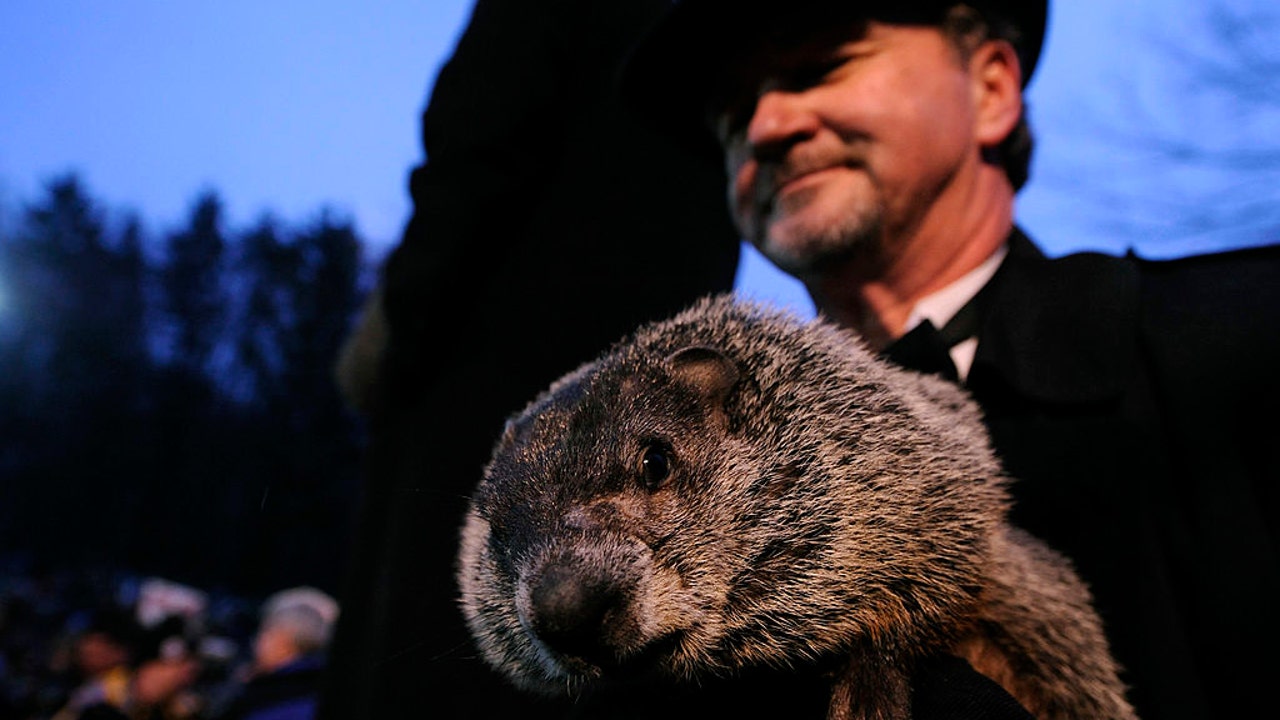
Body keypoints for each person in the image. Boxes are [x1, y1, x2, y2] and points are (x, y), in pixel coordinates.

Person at [618, 1, 1280, 719]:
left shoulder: (1246, 331)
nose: (766, 129)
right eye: (732, 117)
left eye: (820, 69)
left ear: (990, 89)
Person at [316, 1, 743, 718]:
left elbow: (471, 153)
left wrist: (399, 332)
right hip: (653, 396)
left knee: (446, 648)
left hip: (488, 379)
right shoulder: (702, 35)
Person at [214, 587, 337, 720]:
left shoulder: (275, 699)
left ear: (282, 638)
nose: (255, 641)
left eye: (264, 630)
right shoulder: (318, 692)